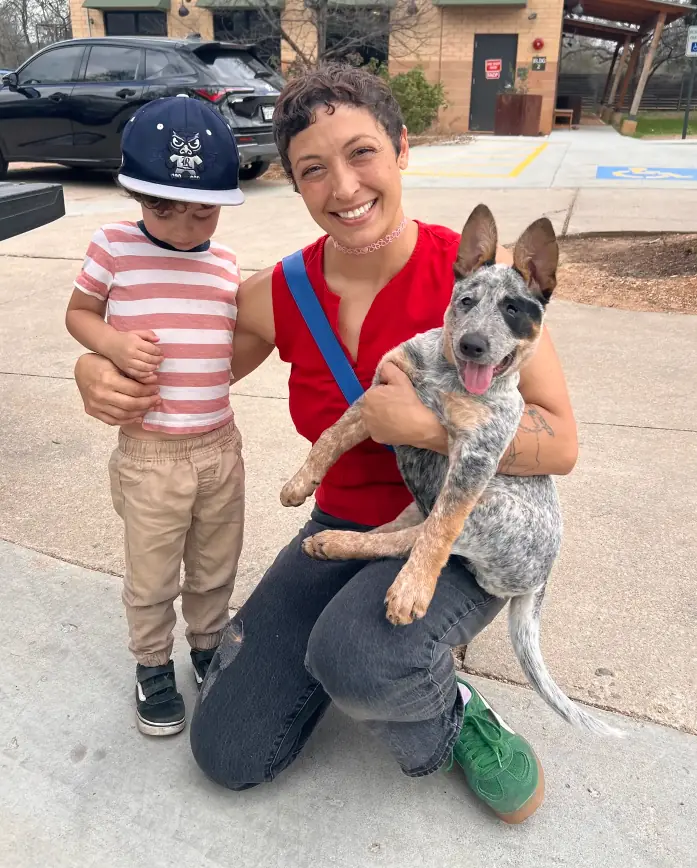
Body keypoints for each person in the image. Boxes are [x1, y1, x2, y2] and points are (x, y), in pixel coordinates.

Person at [73, 66, 578, 822]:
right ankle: (376, 654)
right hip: (339, 523)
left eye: (361, 152)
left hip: (454, 534)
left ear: (401, 149)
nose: (342, 187)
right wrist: (94, 366)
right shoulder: (280, 291)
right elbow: (185, 367)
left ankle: (449, 707)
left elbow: (560, 440)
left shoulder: (476, 285)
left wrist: (425, 427)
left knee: (361, 655)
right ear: (294, 182)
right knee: (228, 752)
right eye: (312, 168)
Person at [66, 95, 246, 737]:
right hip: (152, 452)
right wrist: (110, 346)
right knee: (152, 571)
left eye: (204, 212)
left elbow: (230, 346)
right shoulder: (113, 246)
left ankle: (207, 645)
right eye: (164, 208)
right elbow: (79, 312)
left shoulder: (225, 265)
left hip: (220, 444)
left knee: (216, 562)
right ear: (136, 194)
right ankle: (151, 663)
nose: (185, 228)